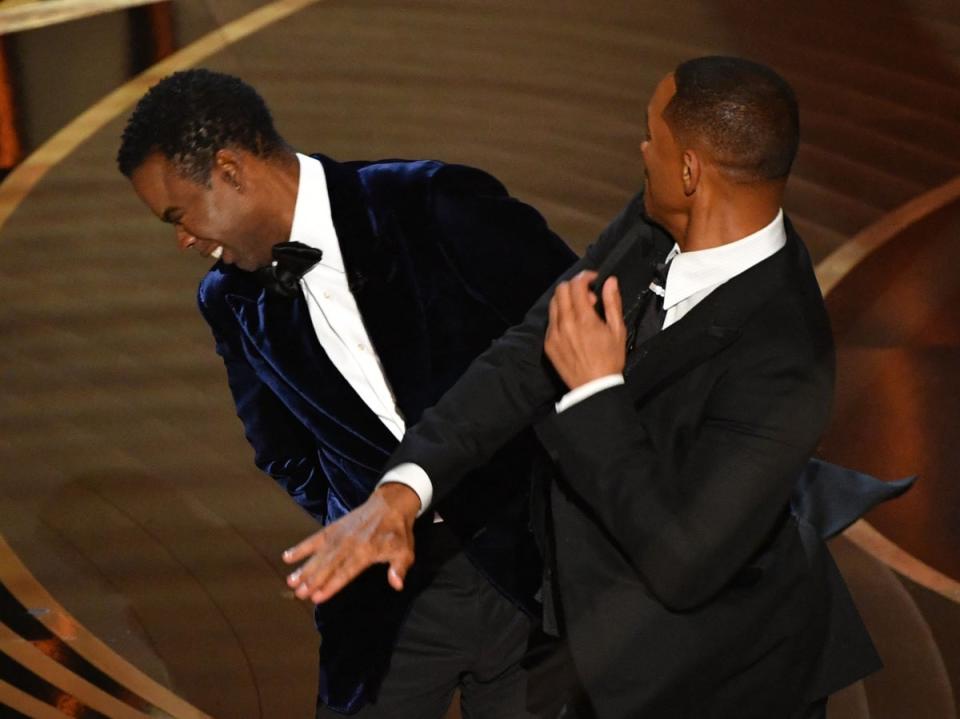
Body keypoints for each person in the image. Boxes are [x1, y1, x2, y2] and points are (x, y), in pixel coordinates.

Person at [281, 57, 888, 718]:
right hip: (596, 645)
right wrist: (405, 488)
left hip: (720, 682)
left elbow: (683, 562)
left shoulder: (787, 357)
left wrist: (597, 391)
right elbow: (527, 351)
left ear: (690, 171)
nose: (641, 149)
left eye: (651, 135)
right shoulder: (660, 220)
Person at [116, 68, 579, 718]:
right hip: (382, 604)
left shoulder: (435, 203)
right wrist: (357, 510)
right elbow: (282, 448)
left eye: (178, 214)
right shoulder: (229, 301)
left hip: (530, 576)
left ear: (229, 169)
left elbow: (584, 335)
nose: (182, 239)